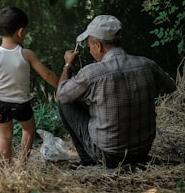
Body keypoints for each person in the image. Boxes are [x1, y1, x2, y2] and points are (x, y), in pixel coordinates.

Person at [56, 14, 176, 170]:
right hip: (142, 151)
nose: (90, 51)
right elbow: (171, 87)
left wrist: (67, 65)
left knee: (66, 104)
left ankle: (89, 162)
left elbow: (60, 95)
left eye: (90, 46)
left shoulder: (93, 73)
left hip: (109, 156)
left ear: (98, 45)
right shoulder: (147, 64)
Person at [0, 7, 59, 164]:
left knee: (5, 135)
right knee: (29, 129)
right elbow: (47, 75)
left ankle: (8, 166)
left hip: (1, 104)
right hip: (22, 105)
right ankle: (22, 163)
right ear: (20, 32)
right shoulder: (26, 54)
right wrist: (61, 86)